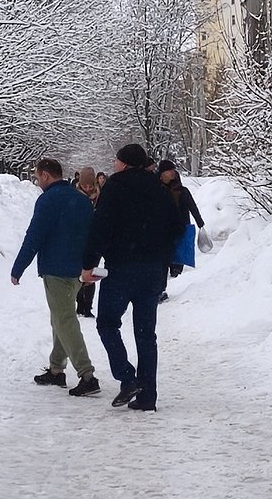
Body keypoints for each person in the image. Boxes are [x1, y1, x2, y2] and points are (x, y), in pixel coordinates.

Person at [83, 143, 181, 412]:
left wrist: (88, 264)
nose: (113, 164)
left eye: (116, 160)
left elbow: (100, 227)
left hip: (122, 268)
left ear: (124, 164)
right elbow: (176, 225)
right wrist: (162, 257)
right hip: (152, 272)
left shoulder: (115, 187)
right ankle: (148, 396)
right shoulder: (158, 189)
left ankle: (127, 378)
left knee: (107, 323)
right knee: (146, 334)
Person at [11, 158, 101, 397]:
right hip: (78, 271)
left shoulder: (47, 201)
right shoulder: (81, 201)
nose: (37, 180)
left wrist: (18, 268)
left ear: (45, 175)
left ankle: (87, 375)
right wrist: (91, 265)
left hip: (56, 270)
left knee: (64, 321)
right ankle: (56, 369)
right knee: (61, 318)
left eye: (37, 176)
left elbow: (34, 237)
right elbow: (93, 236)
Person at [157, 160, 206, 302]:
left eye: (173, 170)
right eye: (168, 170)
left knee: (176, 254)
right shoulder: (158, 190)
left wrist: (200, 222)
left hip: (180, 227)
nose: (172, 173)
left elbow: (192, 206)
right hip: (164, 229)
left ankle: (173, 273)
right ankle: (161, 288)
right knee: (165, 259)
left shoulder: (182, 191)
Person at [74, 167, 100, 318]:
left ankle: (88, 306)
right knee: (79, 274)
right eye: (85, 186)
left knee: (92, 273)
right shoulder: (74, 197)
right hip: (78, 240)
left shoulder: (100, 196)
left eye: (91, 186)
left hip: (94, 239)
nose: (88, 189)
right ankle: (80, 304)